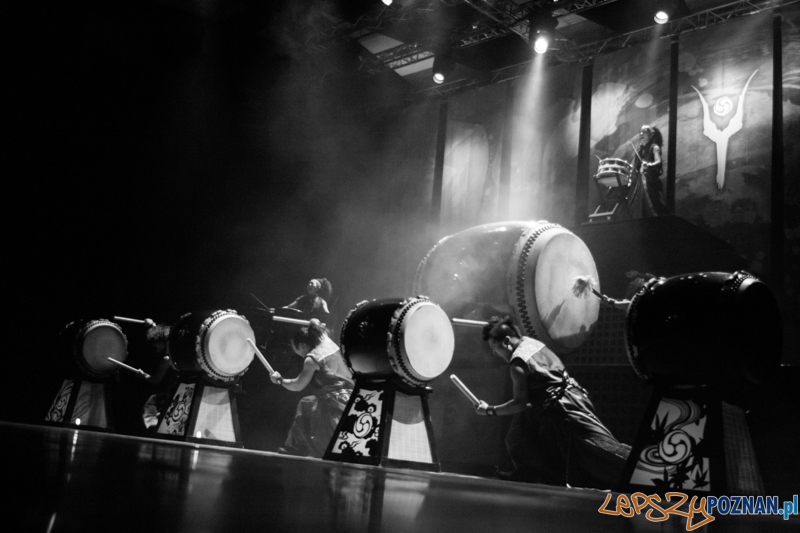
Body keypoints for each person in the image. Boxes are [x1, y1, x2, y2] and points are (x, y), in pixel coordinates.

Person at [475, 316, 631, 489]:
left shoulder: (517, 365)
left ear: (506, 341)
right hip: (569, 398)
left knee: (598, 448)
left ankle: (647, 469)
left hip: (564, 409)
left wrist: (489, 410)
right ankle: (532, 477)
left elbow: (518, 403)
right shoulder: (530, 342)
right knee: (517, 436)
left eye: (495, 347)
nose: (495, 353)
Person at [270, 319, 353, 458]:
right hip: (352, 397)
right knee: (306, 403)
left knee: (324, 448)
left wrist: (280, 380)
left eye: (295, 348)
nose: (297, 353)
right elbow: (317, 325)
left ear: (302, 345)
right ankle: (296, 446)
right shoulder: (329, 344)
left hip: (333, 402)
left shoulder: (312, 358)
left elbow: (297, 385)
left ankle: (314, 450)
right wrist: (313, 324)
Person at [633, 125, 670, 217]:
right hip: (642, 180)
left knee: (653, 201)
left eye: (644, 132)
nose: (641, 133)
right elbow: (636, 167)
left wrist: (649, 165)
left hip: (650, 180)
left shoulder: (654, 147)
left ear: (650, 134)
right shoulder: (641, 150)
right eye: (640, 132)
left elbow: (658, 161)